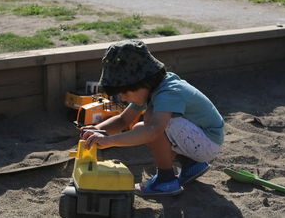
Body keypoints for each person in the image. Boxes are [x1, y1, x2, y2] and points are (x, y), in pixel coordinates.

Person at [80, 39, 224, 196]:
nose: (122, 98)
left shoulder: (168, 92)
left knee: (150, 123)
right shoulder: (151, 89)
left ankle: (166, 180)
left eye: (124, 92)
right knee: (139, 128)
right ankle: (190, 164)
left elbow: (154, 131)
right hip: (198, 139)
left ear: (142, 82)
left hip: (208, 142)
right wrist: (99, 130)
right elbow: (123, 120)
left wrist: (109, 141)